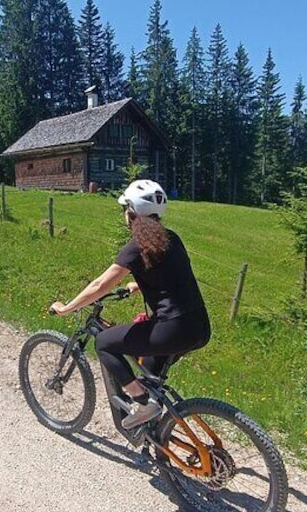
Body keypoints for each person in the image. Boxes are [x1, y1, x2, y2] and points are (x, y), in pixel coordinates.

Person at [50, 180, 211, 429]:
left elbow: (99, 286)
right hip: (199, 327)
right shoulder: (171, 239)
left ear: (132, 212)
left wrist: (68, 307)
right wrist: (139, 285)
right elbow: (173, 275)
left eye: (125, 209)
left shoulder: (136, 247)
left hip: (172, 329)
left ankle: (142, 402)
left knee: (104, 343)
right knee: (149, 371)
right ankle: (157, 438)